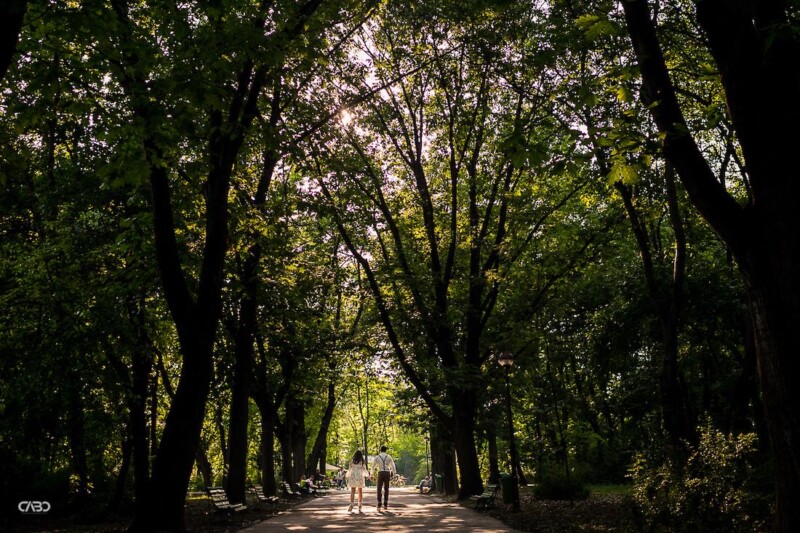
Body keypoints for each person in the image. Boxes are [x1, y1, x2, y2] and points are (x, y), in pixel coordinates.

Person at [371, 445, 397, 510]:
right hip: (387, 473)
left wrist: (371, 474)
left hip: (380, 472)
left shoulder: (377, 457)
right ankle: (385, 503)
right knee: (386, 488)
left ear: (380, 450)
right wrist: (394, 473)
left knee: (379, 488)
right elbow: (393, 465)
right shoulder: (389, 457)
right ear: (386, 450)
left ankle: (379, 503)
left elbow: (373, 466)